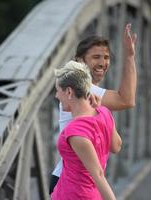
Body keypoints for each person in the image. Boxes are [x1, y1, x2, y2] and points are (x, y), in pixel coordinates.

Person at [49, 23, 137, 194]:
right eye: (96, 57)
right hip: (70, 183)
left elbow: (116, 145)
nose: (103, 62)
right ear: (79, 61)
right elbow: (127, 100)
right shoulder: (80, 91)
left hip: (81, 182)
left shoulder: (96, 103)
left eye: (106, 57)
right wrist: (130, 56)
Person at [51, 61, 122, 200]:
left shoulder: (75, 131)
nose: (56, 96)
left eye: (58, 90)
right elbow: (116, 146)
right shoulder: (104, 113)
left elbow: (99, 175)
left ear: (69, 92)